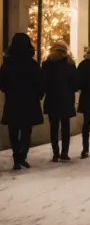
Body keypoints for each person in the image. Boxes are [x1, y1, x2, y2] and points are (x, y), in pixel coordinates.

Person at [0, 33, 44, 170]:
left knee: (13, 130)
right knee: (26, 131)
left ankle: (17, 156)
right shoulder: (33, 64)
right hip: (29, 101)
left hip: (13, 101)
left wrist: (8, 90)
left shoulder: (7, 64)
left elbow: (2, 83)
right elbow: (39, 84)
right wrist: (38, 95)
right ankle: (22, 156)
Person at [41, 39, 78, 162]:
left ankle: (55, 153)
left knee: (54, 127)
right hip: (66, 99)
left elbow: (44, 82)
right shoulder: (70, 63)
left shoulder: (47, 63)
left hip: (52, 99)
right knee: (65, 127)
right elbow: (74, 83)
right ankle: (64, 153)